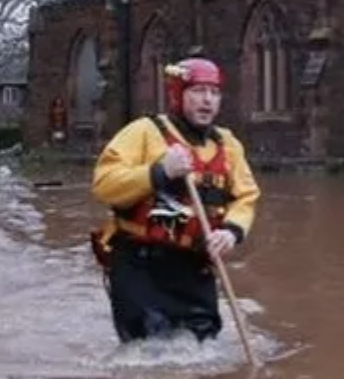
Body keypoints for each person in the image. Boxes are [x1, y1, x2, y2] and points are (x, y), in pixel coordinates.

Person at [90, 57, 260, 343]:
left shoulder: (227, 144)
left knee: (203, 342)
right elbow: (104, 185)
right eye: (197, 91)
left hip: (193, 264)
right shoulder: (144, 132)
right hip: (141, 263)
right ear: (178, 95)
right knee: (150, 346)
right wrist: (159, 172)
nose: (207, 100)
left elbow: (245, 197)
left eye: (214, 93)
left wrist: (231, 231)